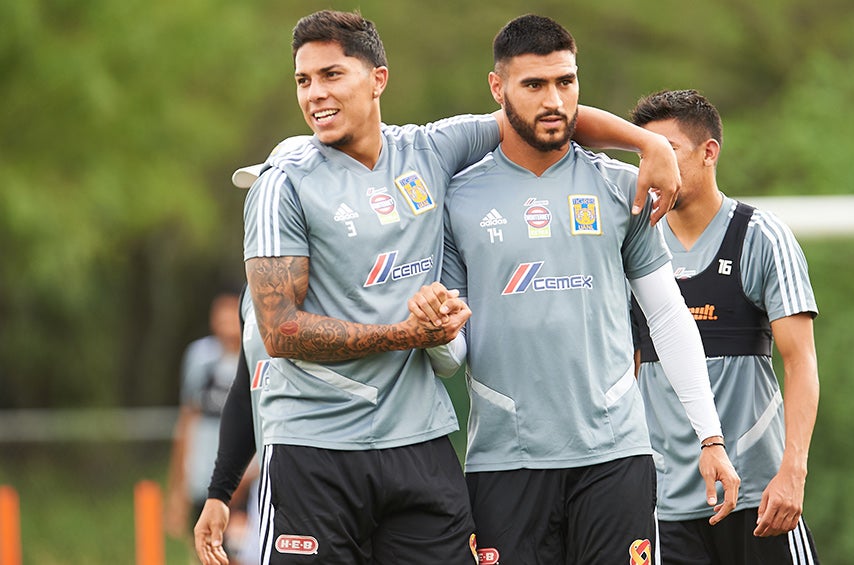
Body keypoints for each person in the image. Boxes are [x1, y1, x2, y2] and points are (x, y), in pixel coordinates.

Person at [206, 9, 690, 565]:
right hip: (316, 449)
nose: (315, 93)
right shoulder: (283, 181)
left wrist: (648, 146)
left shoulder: (429, 150)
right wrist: (405, 334)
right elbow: (280, 332)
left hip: (420, 442)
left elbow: (542, 113)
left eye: (332, 75)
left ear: (378, 79)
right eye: (303, 80)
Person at [409, 16, 740, 564]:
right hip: (504, 463)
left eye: (566, 82)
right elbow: (450, 359)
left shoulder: (618, 187)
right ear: (498, 89)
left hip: (615, 458)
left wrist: (710, 437)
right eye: (534, 85)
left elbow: (667, 316)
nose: (553, 100)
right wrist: (437, 335)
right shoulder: (458, 200)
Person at [628, 89, 821, 564]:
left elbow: (800, 363)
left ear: (709, 152)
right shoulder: (632, 246)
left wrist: (792, 473)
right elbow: (627, 372)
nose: (652, 166)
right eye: (643, 154)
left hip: (760, 499)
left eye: (666, 151)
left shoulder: (761, 237)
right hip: (665, 509)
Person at [165, 290, 251, 559]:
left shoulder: (258, 353)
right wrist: (178, 489)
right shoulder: (200, 357)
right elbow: (187, 420)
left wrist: (248, 477)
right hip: (203, 479)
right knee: (205, 551)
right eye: (220, 313)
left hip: (248, 483)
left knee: (242, 553)